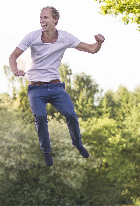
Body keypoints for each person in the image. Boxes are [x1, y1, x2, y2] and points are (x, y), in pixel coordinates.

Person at [9, 6, 105, 167]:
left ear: (55, 20)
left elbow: (91, 49)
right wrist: (15, 70)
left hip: (56, 88)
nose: (42, 21)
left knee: (71, 115)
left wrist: (99, 43)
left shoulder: (65, 38)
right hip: (36, 89)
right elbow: (13, 56)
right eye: (40, 18)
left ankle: (78, 144)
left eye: (45, 18)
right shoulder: (32, 37)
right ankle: (46, 151)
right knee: (40, 117)